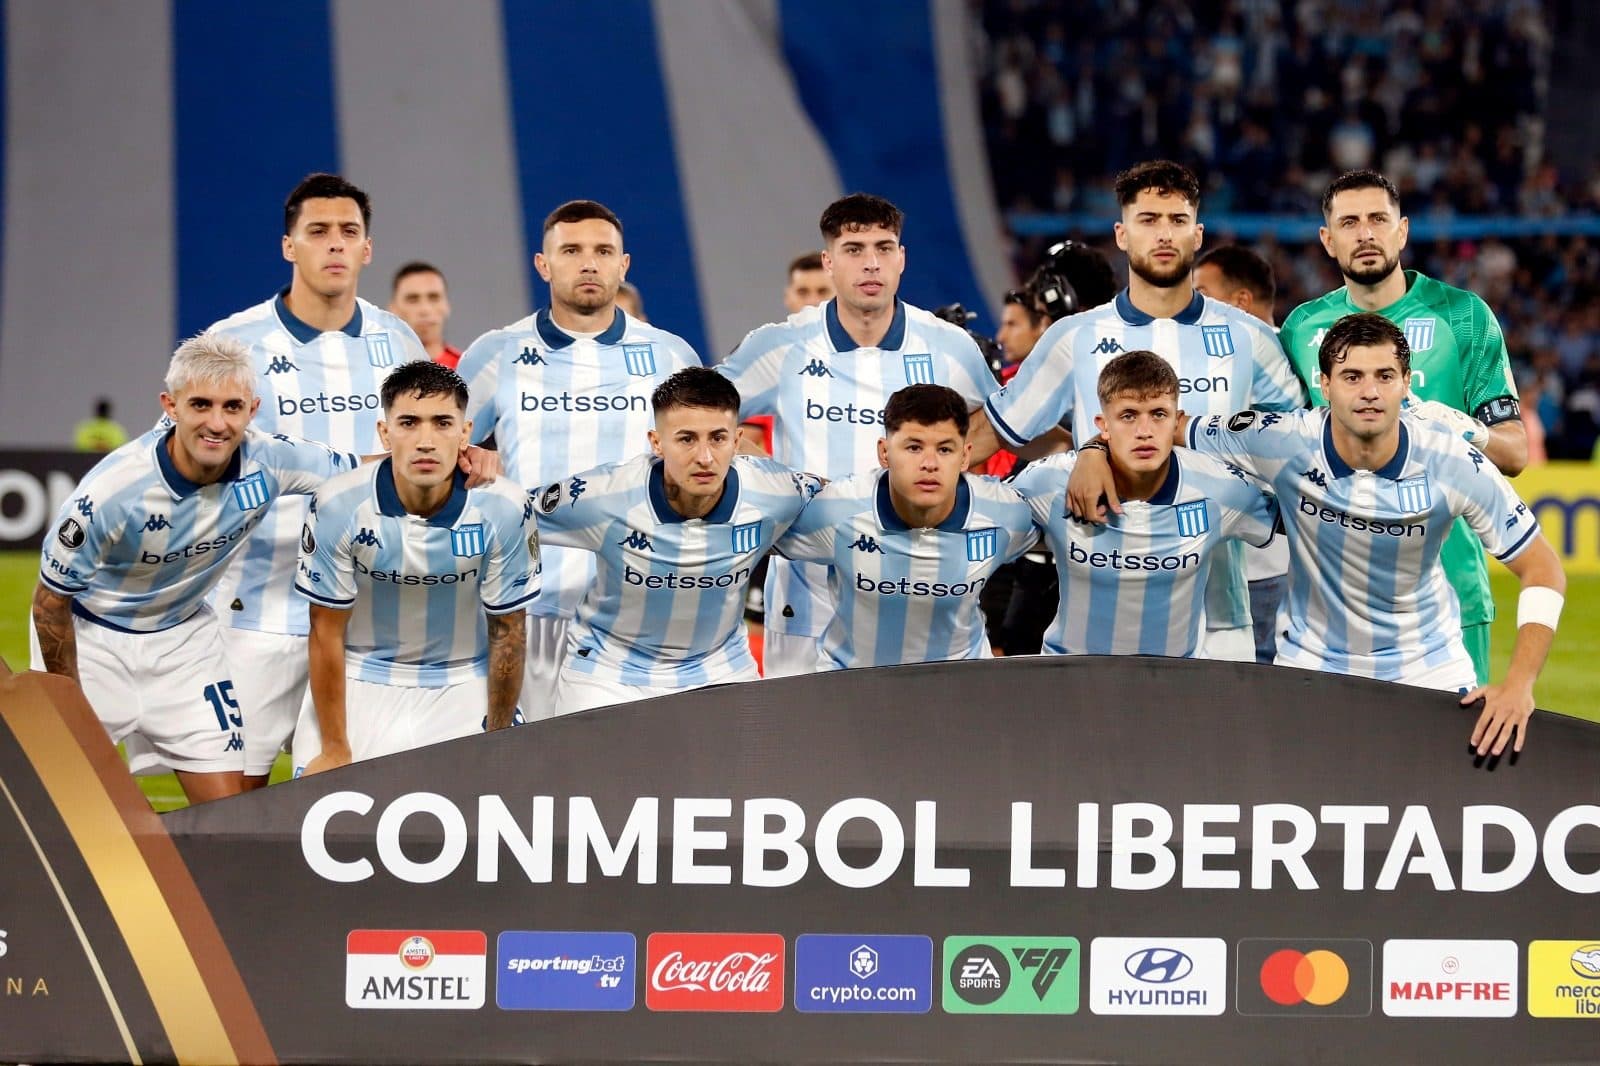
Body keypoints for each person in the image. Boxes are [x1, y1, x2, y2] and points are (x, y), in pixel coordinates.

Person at [1118, 313, 1561, 756]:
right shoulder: (1282, 439)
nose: (1369, 391)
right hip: (1312, 671)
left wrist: (1519, 684)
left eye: (1384, 376)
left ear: (1406, 383)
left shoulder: (1452, 460)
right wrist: (1098, 451)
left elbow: (1542, 567)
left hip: (1430, 673)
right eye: (1352, 376)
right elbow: (1169, 426)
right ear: (1325, 386)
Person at [970, 160, 1305, 663]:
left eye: (1176, 220)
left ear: (1198, 235)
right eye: (1148, 220)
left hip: (1225, 615)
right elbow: (993, 431)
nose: (1164, 234)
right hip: (1097, 614)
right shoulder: (1074, 338)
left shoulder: (1249, 338)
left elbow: (1300, 445)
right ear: (1122, 235)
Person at [31, 335, 355, 804]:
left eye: (233, 407)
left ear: (253, 409)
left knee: (227, 817)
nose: (217, 423)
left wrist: (457, 460)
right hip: (94, 640)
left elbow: (369, 471)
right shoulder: (111, 492)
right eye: (200, 405)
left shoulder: (269, 460)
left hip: (185, 645)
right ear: (171, 406)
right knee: (65, 813)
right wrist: (69, 702)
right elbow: (50, 601)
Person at [203, 173, 437, 789]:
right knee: (228, 812)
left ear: (367, 249)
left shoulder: (398, 340)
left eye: (348, 232)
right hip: (256, 612)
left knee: (349, 813)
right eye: (318, 232)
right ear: (290, 246)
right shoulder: (232, 344)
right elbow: (183, 457)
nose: (334, 244)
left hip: (366, 627)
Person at [719, 193, 996, 677]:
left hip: (922, 589)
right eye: (853, 249)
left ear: (902, 258)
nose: (871, 263)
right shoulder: (780, 345)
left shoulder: (949, 346)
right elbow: (700, 417)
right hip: (807, 598)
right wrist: (761, 470)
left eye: (884, 247)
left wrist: (949, 468)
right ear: (828, 261)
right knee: (807, 747)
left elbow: (1002, 424)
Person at [1279, 169, 1529, 688]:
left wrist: (1469, 432)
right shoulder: (1301, 328)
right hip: (1332, 607)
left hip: (1451, 588)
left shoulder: (1463, 317)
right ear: (1327, 240)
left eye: (1378, 219)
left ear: (1403, 231)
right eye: (1349, 222)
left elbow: (1515, 452)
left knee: (1454, 765)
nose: (1365, 233)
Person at [456, 200, 703, 720]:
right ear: (543, 265)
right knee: (524, 777)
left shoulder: (670, 355)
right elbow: (437, 455)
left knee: (629, 779)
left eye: (602, 251)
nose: (588, 263)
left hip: (639, 613)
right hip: (527, 608)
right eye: (571, 250)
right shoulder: (497, 353)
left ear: (624, 265)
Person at [292, 361, 536, 774]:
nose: (426, 440)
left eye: (442, 423)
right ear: (385, 433)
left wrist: (498, 738)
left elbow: (508, 632)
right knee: (327, 829)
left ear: (465, 433)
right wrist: (334, 747)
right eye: (408, 423)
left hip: (464, 684)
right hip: (360, 681)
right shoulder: (338, 503)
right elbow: (325, 633)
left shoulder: (505, 506)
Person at [533, 368, 818, 713]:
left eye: (718, 438)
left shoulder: (774, 492)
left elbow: (849, 504)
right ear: (657, 442)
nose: (705, 457)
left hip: (720, 667)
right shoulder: (603, 496)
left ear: (737, 440)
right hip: (607, 673)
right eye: (686, 439)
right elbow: (509, 514)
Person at [1012, 351, 1277, 657]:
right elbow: (977, 521)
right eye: (1128, 415)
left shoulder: (1221, 488)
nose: (1145, 431)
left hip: (1172, 685)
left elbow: (1305, 521)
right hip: (1072, 680)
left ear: (1177, 421)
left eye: (1159, 414)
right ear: (1103, 425)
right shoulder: (1051, 482)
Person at [774, 385, 1035, 668]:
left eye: (945, 449)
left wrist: (1092, 451)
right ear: (884, 453)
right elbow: (757, 533)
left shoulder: (1006, 514)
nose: (930, 464)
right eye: (914, 447)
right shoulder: (835, 511)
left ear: (965, 456)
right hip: (851, 684)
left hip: (961, 684)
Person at [1193, 244, 1289, 665]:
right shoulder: (1203, 360)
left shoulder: (1292, 361)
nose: (1191, 304)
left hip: (1267, 566)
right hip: (1216, 563)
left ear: (1240, 302)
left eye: (1202, 291)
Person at [389, 261, 461, 369]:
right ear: (393, 310)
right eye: (413, 299)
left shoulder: (468, 373)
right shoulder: (377, 372)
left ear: (446, 305)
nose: (425, 309)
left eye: (434, 298)